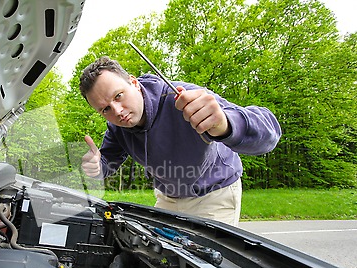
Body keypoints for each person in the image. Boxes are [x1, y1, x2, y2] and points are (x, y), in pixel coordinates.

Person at [79, 56, 281, 226]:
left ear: (134, 83)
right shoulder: (117, 128)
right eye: (105, 109)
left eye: (118, 96)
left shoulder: (183, 97)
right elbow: (107, 163)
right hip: (168, 198)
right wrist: (98, 167)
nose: (117, 111)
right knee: (157, 261)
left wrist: (226, 125)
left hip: (214, 194)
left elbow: (269, 131)